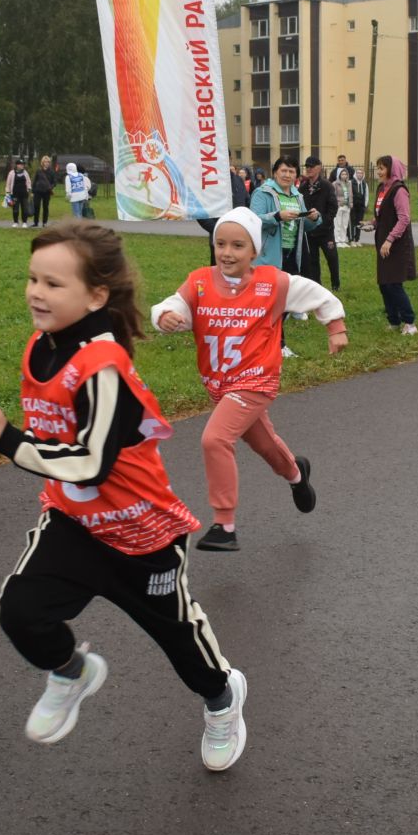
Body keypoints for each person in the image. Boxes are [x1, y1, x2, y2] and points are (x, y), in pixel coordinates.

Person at [0, 221, 248, 771]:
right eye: (32, 279)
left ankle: (223, 699)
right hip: (73, 521)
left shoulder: (105, 366)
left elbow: (91, 463)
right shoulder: (40, 348)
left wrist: (9, 440)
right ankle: (71, 673)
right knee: (20, 611)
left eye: (53, 284)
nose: (35, 293)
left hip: (142, 533)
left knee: (181, 643)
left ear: (96, 296)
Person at [150, 207, 347, 551]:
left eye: (238, 246)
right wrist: (166, 317)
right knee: (263, 443)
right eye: (221, 244)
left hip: (257, 380)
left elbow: (319, 295)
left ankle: (224, 525)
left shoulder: (273, 283)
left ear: (254, 251)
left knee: (214, 439)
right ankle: (296, 475)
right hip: (219, 385)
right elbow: (174, 306)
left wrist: (336, 328)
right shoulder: (198, 280)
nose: (227, 252)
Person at [372, 155, 418, 334]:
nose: (379, 172)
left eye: (382, 168)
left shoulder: (399, 190)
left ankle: (410, 322)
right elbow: (382, 215)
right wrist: (373, 224)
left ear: (392, 170)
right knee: (384, 283)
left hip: (396, 244)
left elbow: (404, 218)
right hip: (383, 243)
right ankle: (393, 321)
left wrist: (390, 240)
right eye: (378, 168)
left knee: (393, 284)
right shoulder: (382, 189)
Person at [299, 155, 340, 289]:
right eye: (307, 166)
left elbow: (333, 207)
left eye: (311, 166)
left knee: (332, 257)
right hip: (310, 231)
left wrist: (324, 222)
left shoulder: (327, 186)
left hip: (325, 230)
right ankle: (317, 286)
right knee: (312, 260)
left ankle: (336, 284)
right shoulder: (303, 188)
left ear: (319, 168)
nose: (309, 169)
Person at [32, 155, 56, 227]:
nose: (46, 163)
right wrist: (33, 191)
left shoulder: (51, 172)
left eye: (48, 162)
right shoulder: (38, 171)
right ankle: (36, 222)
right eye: (45, 162)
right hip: (38, 191)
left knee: (45, 207)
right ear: (42, 162)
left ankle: (44, 222)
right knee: (36, 206)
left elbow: (54, 182)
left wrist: (50, 187)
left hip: (46, 192)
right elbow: (35, 181)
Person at [8, 159, 32, 227]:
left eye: (23, 164)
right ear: (17, 165)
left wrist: (29, 191)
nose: (22, 166)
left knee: (25, 209)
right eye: (21, 164)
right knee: (15, 209)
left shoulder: (25, 173)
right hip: (15, 194)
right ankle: (15, 222)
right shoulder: (12, 173)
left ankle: (24, 222)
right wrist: (8, 192)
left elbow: (28, 182)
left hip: (24, 194)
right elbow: (8, 183)